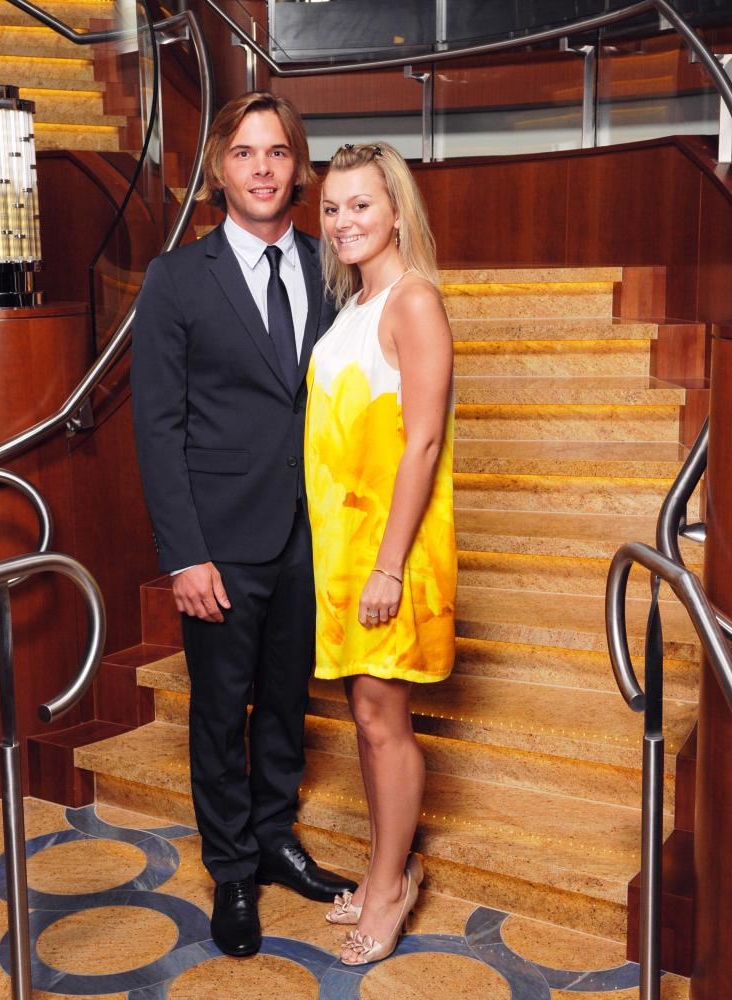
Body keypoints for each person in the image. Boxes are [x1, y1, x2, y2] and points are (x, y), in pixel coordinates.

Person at [131, 91, 356, 959]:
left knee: (289, 701)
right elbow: (158, 426)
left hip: (311, 531)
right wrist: (184, 555)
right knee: (222, 709)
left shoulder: (332, 266)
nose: (262, 169)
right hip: (220, 539)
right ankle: (230, 869)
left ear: (298, 169)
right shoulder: (177, 278)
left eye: (278, 152)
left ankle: (274, 838)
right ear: (220, 171)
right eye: (244, 153)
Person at [305, 141, 456, 966]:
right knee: (364, 720)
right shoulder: (356, 303)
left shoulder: (413, 300)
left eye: (361, 205)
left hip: (389, 550)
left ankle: (392, 887)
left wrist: (390, 566)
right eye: (332, 207)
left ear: (397, 211)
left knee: (382, 721)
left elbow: (423, 442)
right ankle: (382, 871)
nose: (343, 221)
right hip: (344, 549)